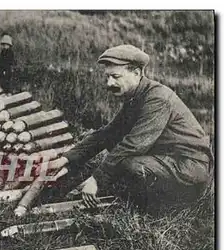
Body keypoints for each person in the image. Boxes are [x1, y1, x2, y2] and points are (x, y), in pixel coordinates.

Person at [50, 44, 212, 211]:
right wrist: (66, 158)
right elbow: (107, 133)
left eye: (115, 76)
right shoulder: (136, 96)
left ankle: (164, 207)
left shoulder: (157, 99)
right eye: (107, 77)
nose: (109, 83)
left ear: (136, 73)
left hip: (188, 168)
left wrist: (96, 179)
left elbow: (134, 144)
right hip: (167, 159)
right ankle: (133, 193)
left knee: (130, 164)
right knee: (114, 140)